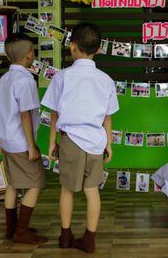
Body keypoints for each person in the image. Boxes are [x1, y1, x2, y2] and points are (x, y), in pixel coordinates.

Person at [41, 22, 119, 253]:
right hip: (96, 142)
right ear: (98, 49)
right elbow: (107, 117)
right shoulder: (106, 79)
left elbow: (54, 113)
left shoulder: (61, 77)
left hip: (70, 140)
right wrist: (109, 143)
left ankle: (65, 237)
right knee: (91, 190)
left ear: (72, 47)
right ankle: (90, 239)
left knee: (67, 189)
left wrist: (52, 141)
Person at [0, 33, 47, 244]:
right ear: (30, 55)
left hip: (7, 142)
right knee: (36, 183)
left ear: (8, 57)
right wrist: (32, 146)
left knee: (13, 185)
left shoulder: (3, 80)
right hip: (21, 143)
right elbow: (25, 114)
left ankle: (11, 228)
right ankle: (21, 231)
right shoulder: (26, 80)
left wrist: (0, 140)